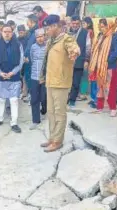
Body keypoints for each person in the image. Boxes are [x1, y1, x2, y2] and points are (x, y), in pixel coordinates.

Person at [40, 14, 80, 152]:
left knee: (59, 113)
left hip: (61, 83)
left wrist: (74, 53)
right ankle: (52, 138)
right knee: (50, 112)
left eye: (48, 28)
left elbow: (74, 48)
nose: (47, 31)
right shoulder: (51, 41)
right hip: (50, 82)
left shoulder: (66, 39)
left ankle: (58, 141)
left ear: (55, 26)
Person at [0, 24, 24, 133]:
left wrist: (12, 73)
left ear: (12, 33)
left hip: (14, 77)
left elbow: (21, 62)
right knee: (1, 99)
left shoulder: (18, 44)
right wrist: (0, 73)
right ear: (1, 32)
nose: (7, 33)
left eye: (9, 31)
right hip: (0, 77)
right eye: (5, 31)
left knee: (14, 100)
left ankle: (14, 123)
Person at [89, 19, 117, 117]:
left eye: (103, 26)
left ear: (109, 26)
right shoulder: (101, 36)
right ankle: (99, 107)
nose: (101, 28)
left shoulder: (115, 37)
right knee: (100, 87)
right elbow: (97, 49)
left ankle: (112, 109)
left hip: (110, 66)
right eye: (100, 26)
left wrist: (107, 61)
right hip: (99, 66)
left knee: (110, 88)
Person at [68, 15, 89, 108]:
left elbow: (88, 47)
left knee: (76, 82)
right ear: (71, 23)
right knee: (67, 81)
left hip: (79, 61)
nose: (75, 25)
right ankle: (67, 98)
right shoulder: (67, 32)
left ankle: (72, 100)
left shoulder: (85, 33)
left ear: (80, 23)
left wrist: (86, 60)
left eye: (77, 23)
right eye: (73, 23)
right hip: (68, 61)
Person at [29, 28, 47, 130]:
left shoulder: (48, 47)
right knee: (34, 99)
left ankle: (44, 109)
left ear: (45, 36)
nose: (40, 39)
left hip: (45, 78)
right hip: (34, 77)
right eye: (38, 37)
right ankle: (36, 120)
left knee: (44, 97)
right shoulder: (33, 47)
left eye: (41, 36)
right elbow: (32, 59)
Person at [23, 14, 39, 103]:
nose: (27, 24)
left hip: (32, 61)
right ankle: (32, 96)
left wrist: (29, 57)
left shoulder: (37, 33)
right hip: (27, 60)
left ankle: (34, 98)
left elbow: (36, 48)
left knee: (33, 80)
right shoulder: (30, 32)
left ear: (32, 22)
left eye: (28, 22)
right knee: (28, 79)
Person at [79, 17, 94, 102]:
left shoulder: (88, 32)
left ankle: (83, 93)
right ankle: (83, 92)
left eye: (84, 24)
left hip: (87, 56)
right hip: (86, 56)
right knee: (84, 74)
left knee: (84, 75)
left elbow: (88, 47)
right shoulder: (87, 32)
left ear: (88, 24)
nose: (82, 25)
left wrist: (87, 59)